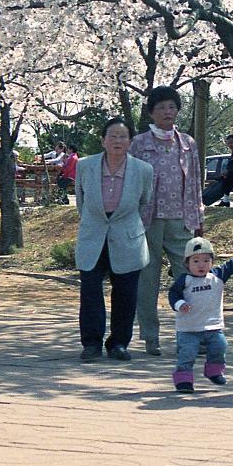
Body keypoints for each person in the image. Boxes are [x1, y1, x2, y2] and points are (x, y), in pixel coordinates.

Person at [129, 85, 205, 357]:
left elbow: (195, 182)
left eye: (171, 106)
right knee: (147, 282)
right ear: (151, 112)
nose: (167, 112)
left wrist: (198, 219)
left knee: (189, 280)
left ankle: (193, 336)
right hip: (147, 221)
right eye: (161, 107)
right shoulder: (139, 144)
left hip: (181, 219)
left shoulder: (187, 143)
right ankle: (151, 337)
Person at [73, 118, 154, 361]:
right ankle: (91, 343)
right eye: (112, 136)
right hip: (93, 235)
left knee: (126, 293)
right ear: (103, 140)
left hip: (127, 236)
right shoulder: (85, 166)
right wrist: (96, 220)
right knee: (90, 291)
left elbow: (144, 201)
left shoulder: (143, 170)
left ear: (130, 141)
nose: (117, 141)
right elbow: (81, 200)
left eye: (123, 137)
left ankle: (119, 343)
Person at [167, 237, 233, 392]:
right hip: (188, 329)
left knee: (220, 346)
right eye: (196, 261)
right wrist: (180, 305)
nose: (201, 265)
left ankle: (214, 372)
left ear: (212, 262)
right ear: (187, 263)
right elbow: (173, 294)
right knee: (188, 354)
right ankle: (183, 380)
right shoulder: (184, 280)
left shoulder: (217, 276)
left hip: (213, 326)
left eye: (206, 260)